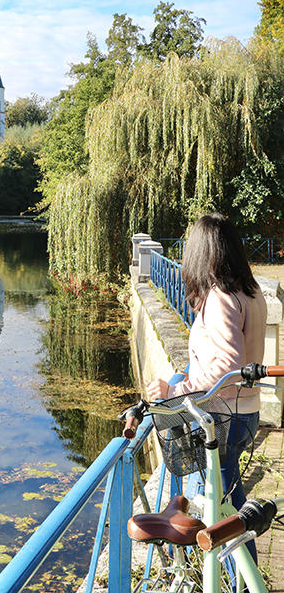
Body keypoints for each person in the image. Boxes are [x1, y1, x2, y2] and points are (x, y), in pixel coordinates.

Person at [147, 213, 267, 560]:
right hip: (247, 413)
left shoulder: (220, 297)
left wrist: (174, 391)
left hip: (223, 418)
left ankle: (237, 579)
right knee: (232, 503)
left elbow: (227, 366)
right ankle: (242, 578)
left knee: (221, 512)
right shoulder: (251, 290)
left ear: (201, 252)